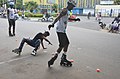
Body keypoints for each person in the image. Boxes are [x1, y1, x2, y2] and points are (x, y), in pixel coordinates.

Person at [47, 0, 76, 67]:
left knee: (67, 43)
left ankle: (63, 58)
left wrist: (75, 20)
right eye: (72, 6)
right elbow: (58, 17)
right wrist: (52, 24)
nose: (73, 8)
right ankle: (53, 59)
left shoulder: (67, 11)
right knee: (62, 45)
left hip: (62, 30)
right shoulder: (65, 10)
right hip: (60, 30)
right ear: (69, 5)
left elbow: (66, 18)